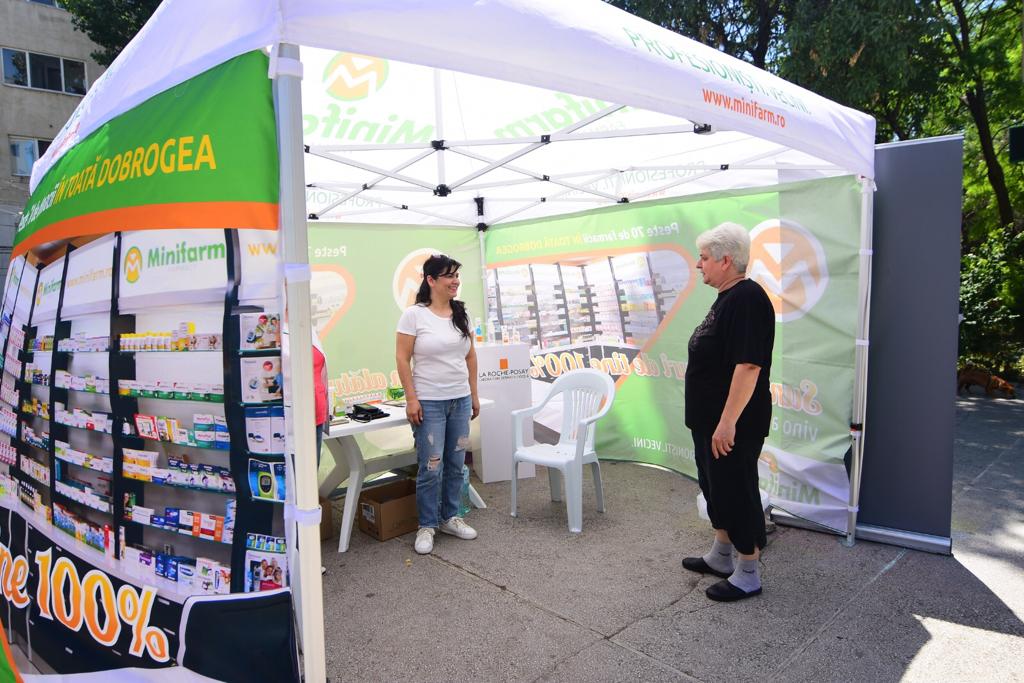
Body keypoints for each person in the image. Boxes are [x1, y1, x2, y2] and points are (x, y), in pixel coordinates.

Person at [682, 222, 775, 602]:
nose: (698, 264)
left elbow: (748, 366)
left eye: (704, 258)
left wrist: (726, 422)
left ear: (725, 260)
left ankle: (748, 572)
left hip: (733, 425)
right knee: (715, 487)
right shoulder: (728, 297)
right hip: (710, 422)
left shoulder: (747, 299)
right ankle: (722, 555)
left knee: (736, 490)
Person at [396, 254, 480, 555]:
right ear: (431, 280)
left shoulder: (461, 314)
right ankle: (427, 525)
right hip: (429, 402)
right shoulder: (414, 315)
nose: (455, 281)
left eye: (457, 275)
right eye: (449, 276)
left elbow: (470, 356)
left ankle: (450, 517)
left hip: (460, 400)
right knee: (431, 466)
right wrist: (411, 398)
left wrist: (474, 394)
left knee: (456, 463)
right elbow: (402, 358)